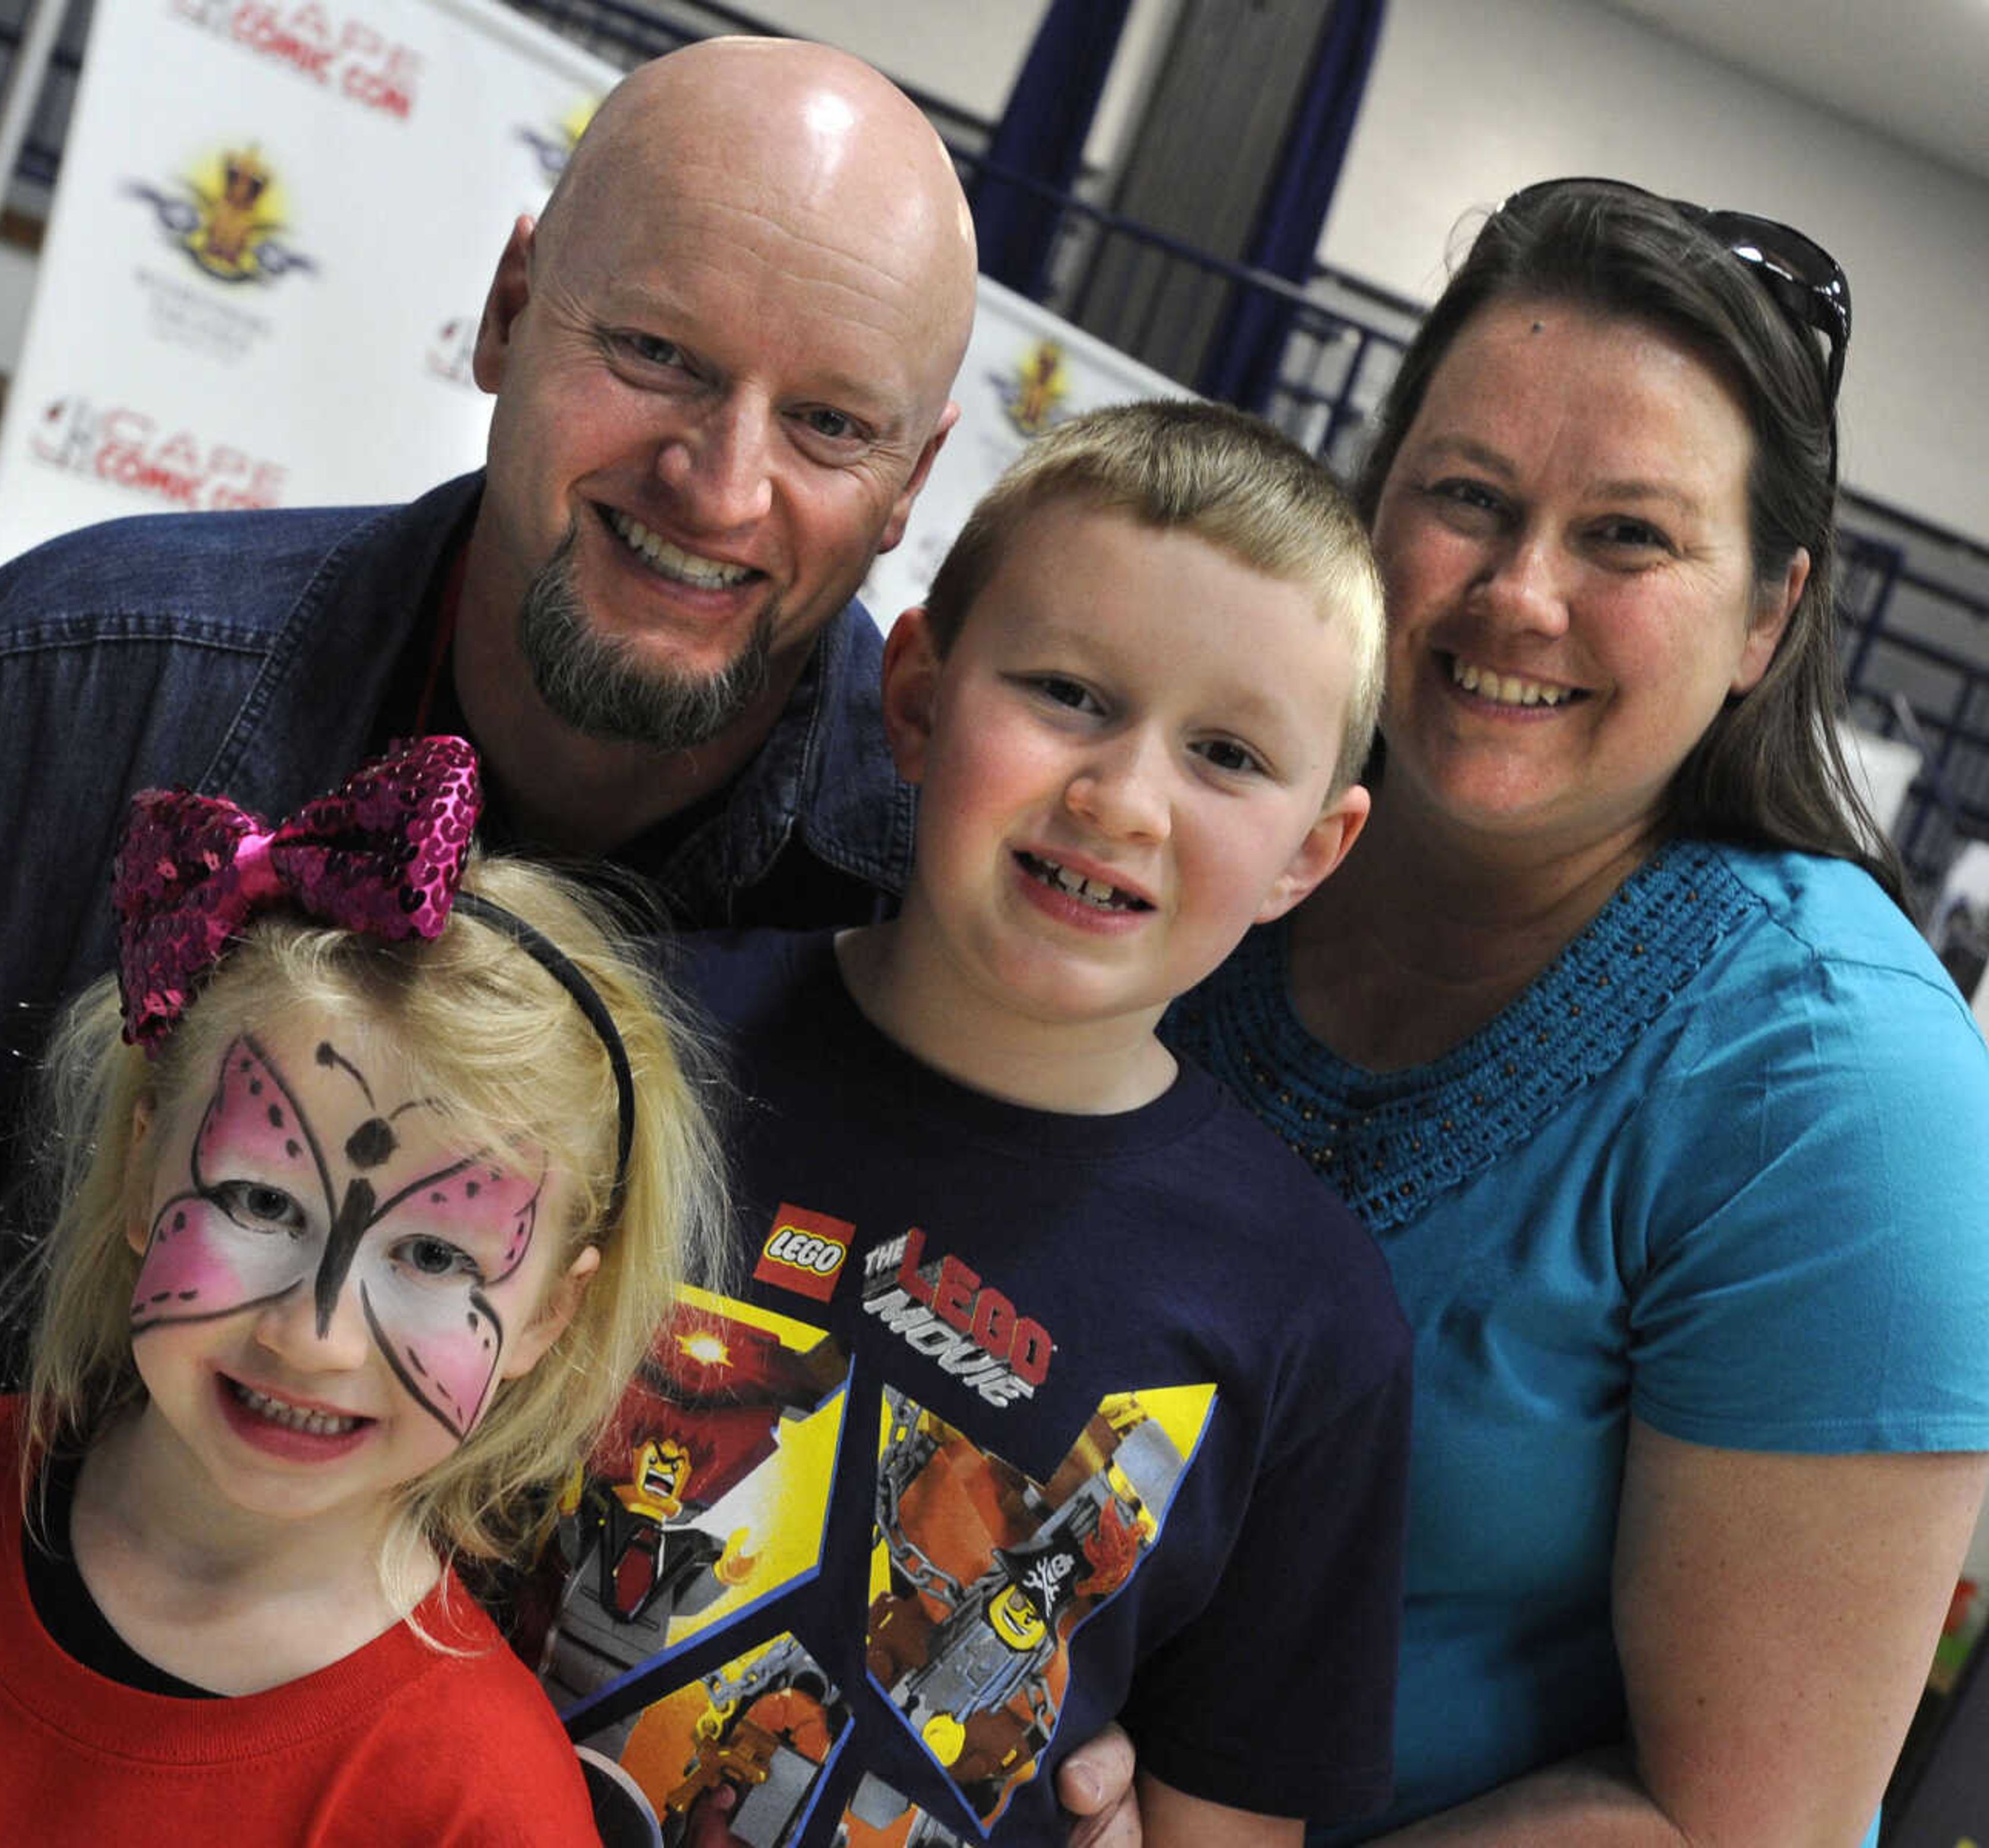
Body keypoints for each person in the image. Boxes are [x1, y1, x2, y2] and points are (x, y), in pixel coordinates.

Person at [0, 37, 972, 1510]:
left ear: (911, 486)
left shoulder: (945, 925)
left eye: (829, 424)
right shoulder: (44, 699)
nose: (722, 482)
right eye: (656, 355)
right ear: (509, 314)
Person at [1162, 179, 1989, 1843]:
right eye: (1466, 495)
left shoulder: (1832, 1087)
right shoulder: (1198, 829)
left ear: (1768, 614)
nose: (1519, 592)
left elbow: (1737, 1827)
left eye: (1628, 534)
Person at [528, 401, 1414, 1847]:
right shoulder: (626, 1045)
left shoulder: (1311, 1325)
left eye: (1230, 756)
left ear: (1314, 852)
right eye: (1069, 692)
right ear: (923, 696)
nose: (1123, 798)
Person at [0, 736, 731, 1840]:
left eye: (436, 1257)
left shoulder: (477, 1806)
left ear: (549, 1312)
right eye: (260, 1202)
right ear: (149, 1175)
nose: (314, 1334)